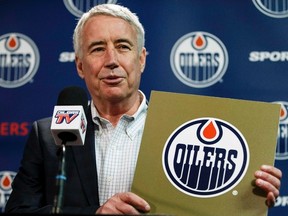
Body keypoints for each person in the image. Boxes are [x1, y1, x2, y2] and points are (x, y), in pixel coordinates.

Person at [5, 3, 282, 215]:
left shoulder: (182, 133)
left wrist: (247, 196)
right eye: (98, 48)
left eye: (123, 47)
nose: (111, 60)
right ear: (80, 65)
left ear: (141, 60)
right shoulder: (47, 135)